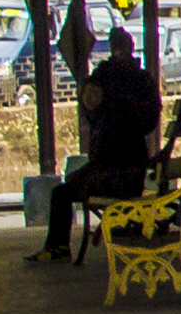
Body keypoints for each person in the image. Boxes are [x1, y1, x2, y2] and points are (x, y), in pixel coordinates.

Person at [38, 28, 162, 260]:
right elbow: (149, 120)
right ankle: (59, 247)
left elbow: (92, 113)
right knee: (64, 192)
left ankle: (58, 247)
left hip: (113, 170)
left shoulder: (105, 78)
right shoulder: (138, 79)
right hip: (127, 167)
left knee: (63, 193)